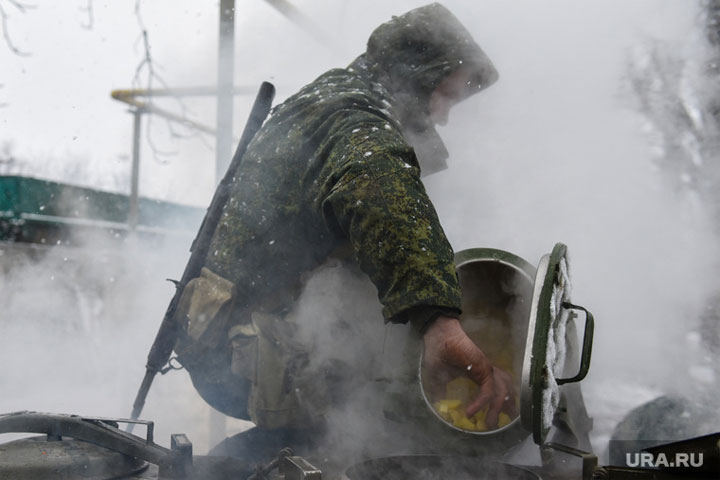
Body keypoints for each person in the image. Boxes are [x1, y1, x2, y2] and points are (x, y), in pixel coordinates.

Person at [173, 2, 515, 462]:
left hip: (236, 329)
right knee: (354, 434)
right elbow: (377, 182)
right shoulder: (353, 119)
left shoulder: (331, 100)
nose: (446, 115)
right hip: (243, 348)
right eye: (445, 96)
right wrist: (440, 320)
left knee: (354, 419)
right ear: (415, 78)